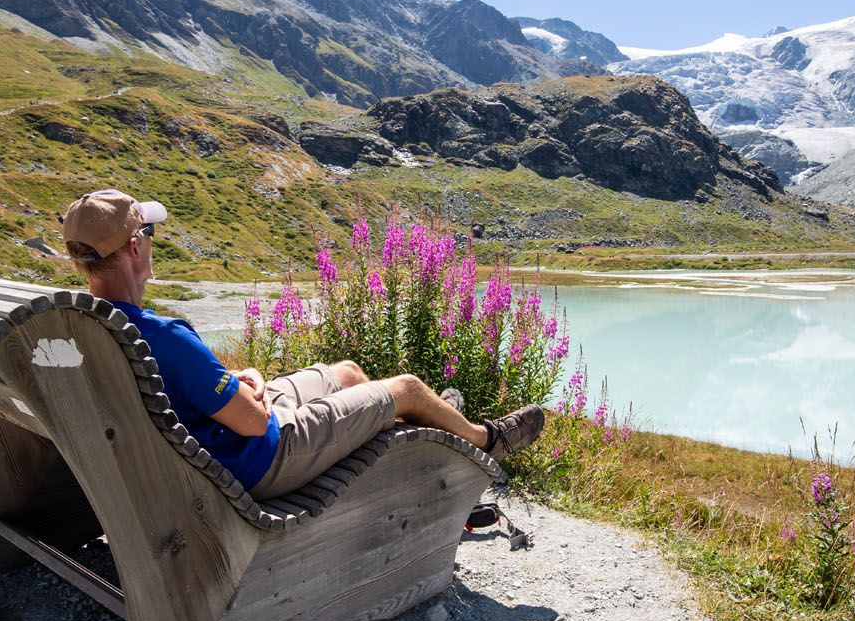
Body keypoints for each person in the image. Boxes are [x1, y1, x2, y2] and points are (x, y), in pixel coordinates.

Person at [60, 189, 545, 500]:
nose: (151, 240)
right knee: (410, 388)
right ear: (131, 248)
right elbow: (252, 420)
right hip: (256, 458)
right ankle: (485, 439)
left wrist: (240, 386)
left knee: (351, 372)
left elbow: (206, 399)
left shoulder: (81, 327)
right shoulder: (164, 337)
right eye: (148, 232)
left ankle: (425, 418)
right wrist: (248, 387)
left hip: (198, 447)